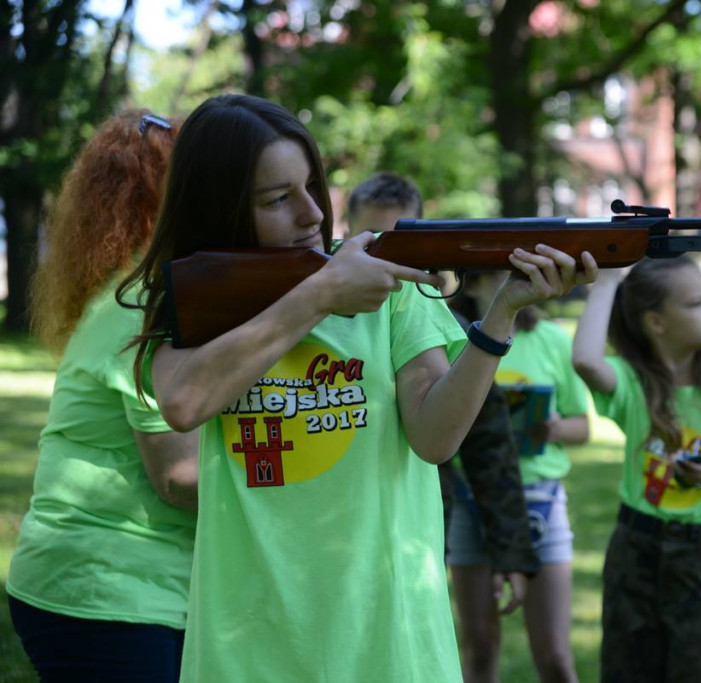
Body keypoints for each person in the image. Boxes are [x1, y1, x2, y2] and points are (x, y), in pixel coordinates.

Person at [116, 94, 596, 682]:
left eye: (312, 186)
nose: (312, 214)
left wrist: (502, 314)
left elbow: (435, 438)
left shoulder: (387, 286)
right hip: (249, 643)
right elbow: (184, 401)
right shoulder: (206, 299)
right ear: (221, 211)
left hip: (391, 640)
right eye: (277, 199)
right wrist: (320, 295)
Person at [6, 110, 199, 682]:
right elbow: (180, 479)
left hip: (124, 589)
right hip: (106, 594)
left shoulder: (141, 291)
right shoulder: (140, 306)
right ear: (159, 201)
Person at [571, 258, 701, 683]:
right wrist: (608, 278)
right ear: (656, 321)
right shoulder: (635, 383)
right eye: (696, 303)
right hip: (636, 550)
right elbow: (586, 362)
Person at [347, 172, 540, 625]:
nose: (387, 257)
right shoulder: (311, 310)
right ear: (346, 231)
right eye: (372, 239)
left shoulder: (444, 329)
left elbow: (489, 445)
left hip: (416, 528)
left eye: (399, 241)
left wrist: (511, 552)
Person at [449, 271, 591, 683]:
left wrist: (554, 428)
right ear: (471, 282)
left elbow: (582, 427)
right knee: (479, 645)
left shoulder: (551, 339)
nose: (514, 280)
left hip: (540, 498)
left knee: (555, 656)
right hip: (470, 498)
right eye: (500, 273)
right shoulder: (452, 337)